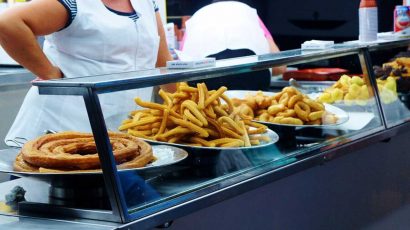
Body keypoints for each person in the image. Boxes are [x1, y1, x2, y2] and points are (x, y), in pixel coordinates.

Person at [0, 0, 173, 145]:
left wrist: (182, 113)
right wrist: (51, 74)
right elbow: (8, 24)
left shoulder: (147, 3)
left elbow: (164, 64)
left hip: (121, 135)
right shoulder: (73, 2)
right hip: (59, 131)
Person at [180, 0, 286, 90]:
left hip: (205, 78)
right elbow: (280, 66)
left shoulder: (195, 20)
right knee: (256, 111)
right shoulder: (249, 13)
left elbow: (181, 69)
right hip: (251, 73)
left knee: (204, 112)